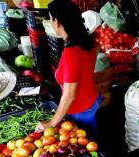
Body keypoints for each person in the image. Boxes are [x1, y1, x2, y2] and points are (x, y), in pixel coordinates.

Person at [36, 0, 101, 135]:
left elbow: (69, 96)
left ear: (57, 22)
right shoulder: (87, 41)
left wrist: (50, 123)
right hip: (92, 99)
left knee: (86, 143)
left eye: (50, 18)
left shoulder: (72, 52)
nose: (50, 22)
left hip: (80, 109)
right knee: (91, 137)